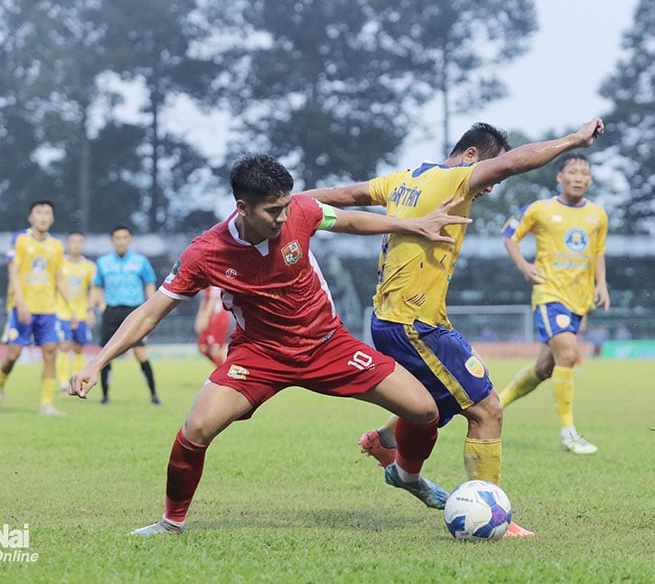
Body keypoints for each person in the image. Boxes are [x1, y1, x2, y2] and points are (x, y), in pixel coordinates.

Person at [69, 153, 472, 535]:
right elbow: (148, 313)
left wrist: (413, 225)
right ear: (242, 208)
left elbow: (348, 221)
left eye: (285, 206)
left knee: (424, 410)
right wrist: (96, 363)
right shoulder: (205, 252)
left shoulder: (300, 210)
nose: (284, 217)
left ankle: (407, 475)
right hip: (259, 355)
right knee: (196, 428)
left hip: (328, 344)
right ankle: (170, 522)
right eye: (272, 211)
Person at [305, 118, 604, 538]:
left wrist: (289, 203)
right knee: (486, 409)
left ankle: (387, 446)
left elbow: (343, 195)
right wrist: (574, 139)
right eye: (490, 172)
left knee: (433, 402)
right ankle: (493, 513)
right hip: (414, 325)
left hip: (396, 320)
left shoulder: (403, 179)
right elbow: (514, 162)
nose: (491, 186)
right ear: (471, 156)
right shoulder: (455, 178)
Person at [497, 153, 609, 455]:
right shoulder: (540, 209)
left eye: (583, 172)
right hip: (549, 294)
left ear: (590, 180)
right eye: (572, 171)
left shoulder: (598, 215)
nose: (577, 177)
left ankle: (494, 405)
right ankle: (569, 434)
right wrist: (524, 266)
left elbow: (598, 253)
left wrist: (601, 283)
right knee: (569, 354)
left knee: (545, 367)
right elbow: (509, 234)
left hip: (578, 301)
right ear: (560, 177)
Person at [0, 200, 73, 416]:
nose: (43, 216)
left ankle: (46, 404)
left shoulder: (57, 245)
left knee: (50, 353)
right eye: (39, 212)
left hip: (48, 309)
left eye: (47, 213)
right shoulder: (20, 239)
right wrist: (21, 304)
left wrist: (71, 308)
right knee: (13, 354)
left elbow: (59, 277)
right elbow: (13, 273)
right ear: (31, 217)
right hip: (22, 307)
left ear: (52, 218)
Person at [93, 226, 160, 405]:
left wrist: (152, 305)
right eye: (117, 238)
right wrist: (99, 305)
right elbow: (97, 286)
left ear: (129, 240)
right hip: (111, 311)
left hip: (134, 311)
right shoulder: (103, 262)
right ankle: (105, 396)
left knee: (141, 353)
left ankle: (154, 395)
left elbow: (149, 283)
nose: (121, 241)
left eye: (124, 237)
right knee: (106, 354)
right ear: (112, 240)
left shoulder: (140, 261)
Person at [55, 231, 97, 391]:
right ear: (68, 243)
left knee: (79, 347)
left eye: (80, 242)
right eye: (73, 241)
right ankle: (64, 383)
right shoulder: (60, 264)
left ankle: (77, 379)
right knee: (64, 346)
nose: (76, 245)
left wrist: (90, 310)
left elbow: (94, 289)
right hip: (62, 313)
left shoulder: (89, 266)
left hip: (81, 314)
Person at [194, 286, 231, 368]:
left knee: (215, 350)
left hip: (218, 317)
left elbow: (213, 299)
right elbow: (205, 299)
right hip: (210, 316)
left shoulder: (216, 280)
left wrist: (205, 317)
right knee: (202, 347)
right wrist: (200, 317)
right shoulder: (207, 282)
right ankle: (223, 370)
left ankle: (224, 373)